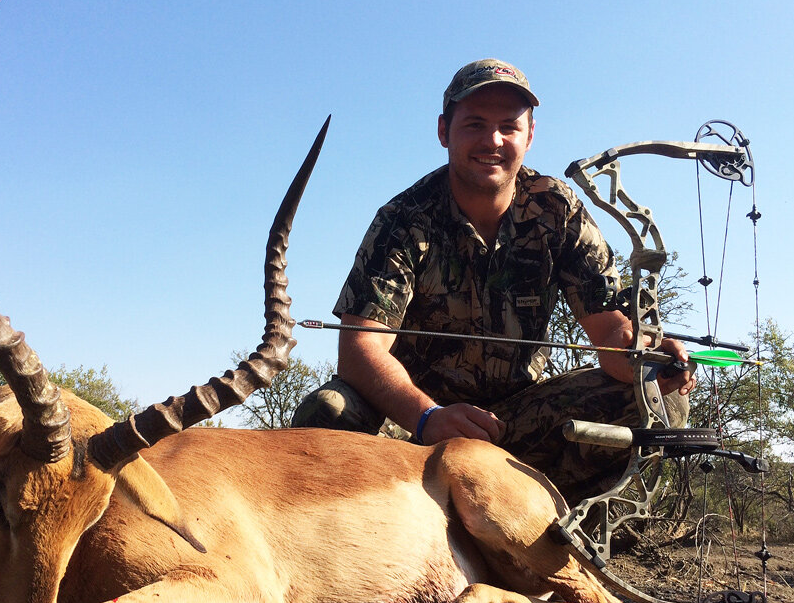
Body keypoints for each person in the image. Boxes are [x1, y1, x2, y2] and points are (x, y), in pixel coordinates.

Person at [292, 59, 696, 503]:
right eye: (475, 125)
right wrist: (429, 417)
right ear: (444, 131)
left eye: (509, 126)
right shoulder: (403, 219)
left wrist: (648, 358)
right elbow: (359, 351)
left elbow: (611, 334)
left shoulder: (557, 209)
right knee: (328, 413)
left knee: (657, 400)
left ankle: (556, 535)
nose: (493, 141)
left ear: (530, 135)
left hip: (513, 429)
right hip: (411, 432)